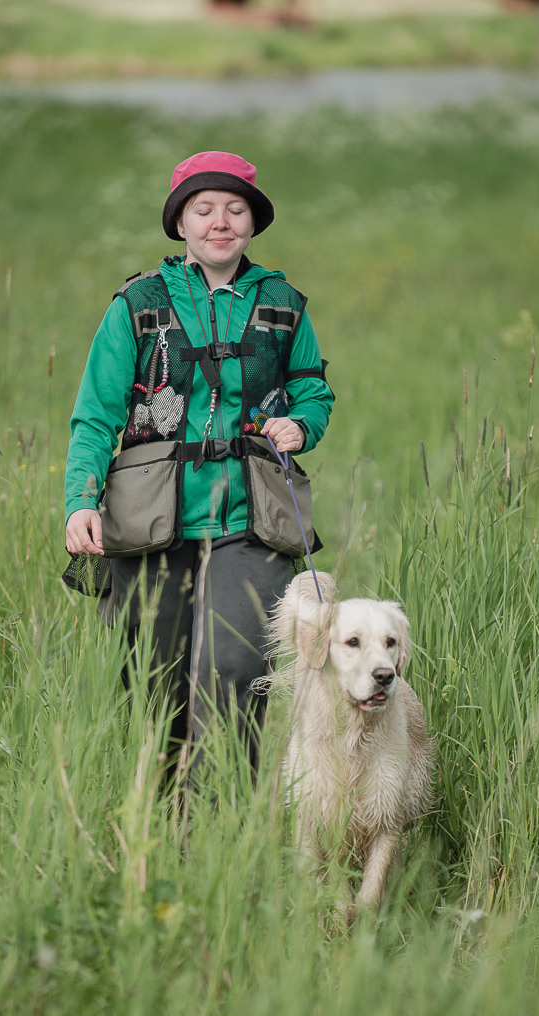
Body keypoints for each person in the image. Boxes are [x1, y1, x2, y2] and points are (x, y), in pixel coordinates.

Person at [65, 150, 333, 778]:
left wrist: (302, 423)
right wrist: (81, 499)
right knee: (155, 683)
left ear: (252, 222)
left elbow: (313, 391)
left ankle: (227, 816)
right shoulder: (136, 304)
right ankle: (164, 824)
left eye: (235, 210)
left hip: (252, 519)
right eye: (204, 210)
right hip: (149, 521)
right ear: (180, 223)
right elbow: (96, 415)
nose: (221, 222)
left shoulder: (284, 304)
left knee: (237, 666)